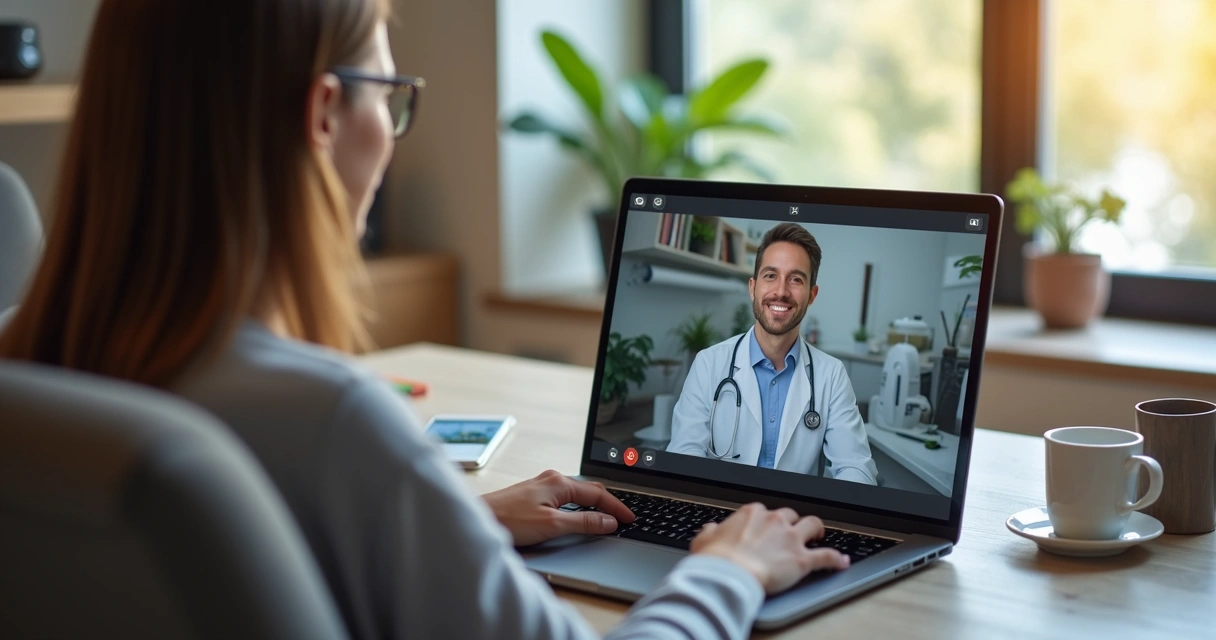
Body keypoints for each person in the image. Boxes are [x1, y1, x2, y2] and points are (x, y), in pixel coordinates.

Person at [0, 1, 852, 638]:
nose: (393, 131)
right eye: (390, 95)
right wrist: (731, 569)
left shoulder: (31, 367)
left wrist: (459, 525)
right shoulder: (332, 421)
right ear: (326, 114)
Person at [667, 223, 878, 484]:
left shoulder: (831, 375)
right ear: (752, 287)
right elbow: (683, 455)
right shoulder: (709, 363)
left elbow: (856, 467)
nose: (781, 291)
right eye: (770, 276)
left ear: (812, 295)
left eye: (796, 279)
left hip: (795, 518)